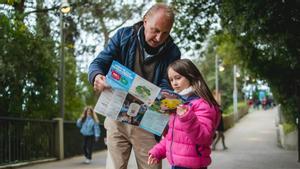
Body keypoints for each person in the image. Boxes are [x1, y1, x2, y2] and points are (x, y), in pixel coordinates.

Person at [88, 3, 181, 169]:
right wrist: (96, 76)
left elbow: (168, 82)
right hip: (116, 118)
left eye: (165, 33)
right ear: (145, 21)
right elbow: (99, 62)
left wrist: (166, 95)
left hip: (148, 123)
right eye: (156, 30)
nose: (159, 38)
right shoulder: (123, 36)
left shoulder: (173, 52)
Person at [148, 59, 221, 169]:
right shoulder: (177, 103)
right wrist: (157, 152)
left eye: (178, 78)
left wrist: (187, 117)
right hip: (176, 164)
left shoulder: (203, 105)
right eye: (171, 80)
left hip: (193, 166)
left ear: (191, 76)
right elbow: (174, 137)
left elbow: (204, 138)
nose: (174, 83)